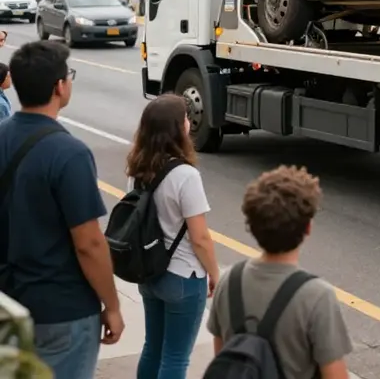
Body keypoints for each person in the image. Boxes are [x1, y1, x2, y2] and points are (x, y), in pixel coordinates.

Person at [0, 40, 123, 379]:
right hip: (62, 311)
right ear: (59, 87)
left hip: (8, 302)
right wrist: (112, 306)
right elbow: (89, 243)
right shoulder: (69, 153)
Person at [207, 165, 352, 379]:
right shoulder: (317, 297)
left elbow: (222, 357)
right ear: (308, 229)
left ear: (252, 227)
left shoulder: (229, 281)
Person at [126, 93, 220, 379]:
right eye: (185, 119)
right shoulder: (186, 175)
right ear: (177, 129)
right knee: (176, 358)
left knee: (152, 348)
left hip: (149, 272)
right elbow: (200, 237)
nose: (189, 122)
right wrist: (215, 273)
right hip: (183, 277)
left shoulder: (137, 170)